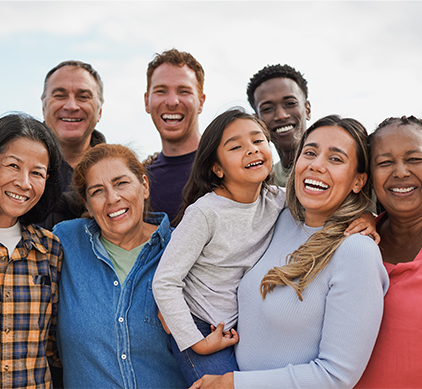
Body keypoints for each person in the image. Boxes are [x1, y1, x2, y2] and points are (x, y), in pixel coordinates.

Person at [153, 109, 377, 386]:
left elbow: (336, 377)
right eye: (309, 153)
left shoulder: (355, 249)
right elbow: (173, 277)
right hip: (211, 335)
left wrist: (372, 216)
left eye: (335, 158)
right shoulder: (281, 218)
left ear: (358, 181)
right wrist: (185, 325)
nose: (317, 165)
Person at [52, 143, 187, 388]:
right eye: (97, 191)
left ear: (144, 186)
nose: (113, 198)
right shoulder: (65, 242)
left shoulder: (182, 247)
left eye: (121, 183)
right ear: (88, 205)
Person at [0, 113, 63, 388]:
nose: (24, 183)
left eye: (37, 173)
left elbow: (53, 346)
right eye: (13, 165)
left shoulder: (50, 249)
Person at [356, 116, 422, 388]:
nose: (401, 171)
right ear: (369, 178)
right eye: (385, 162)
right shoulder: (352, 240)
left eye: (414, 159)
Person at [41, 60, 106, 229]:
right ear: (43, 107)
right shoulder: (9, 170)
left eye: (83, 97)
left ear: (99, 111)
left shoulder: (120, 174)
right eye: (60, 96)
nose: (71, 106)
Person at [144, 48, 206, 222]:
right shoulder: (138, 182)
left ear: (200, 102)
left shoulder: (226, 168)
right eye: (161, 91)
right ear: (147, 102)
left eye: (184, 91)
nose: (172, 102)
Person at [247, 64, 311, 187]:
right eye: (267, 108)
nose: (281, 115)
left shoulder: (341, 170)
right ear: (257, 121)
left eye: (290, 103)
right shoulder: (262, 185)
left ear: (307, 109)